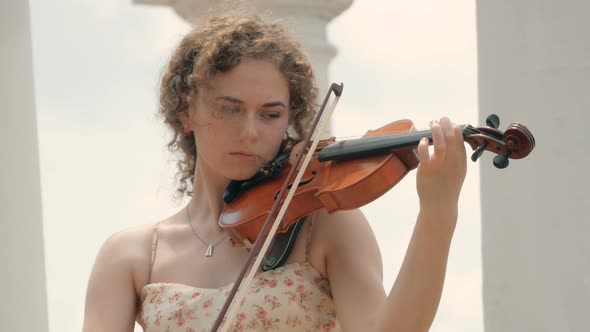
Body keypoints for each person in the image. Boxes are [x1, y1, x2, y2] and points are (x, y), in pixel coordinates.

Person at [83, 14, 467, 332]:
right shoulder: (133, 256)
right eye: (230, 109)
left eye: (270, 114)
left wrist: (437, 213)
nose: (250, 132)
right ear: (185, 112)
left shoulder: (326, 226)